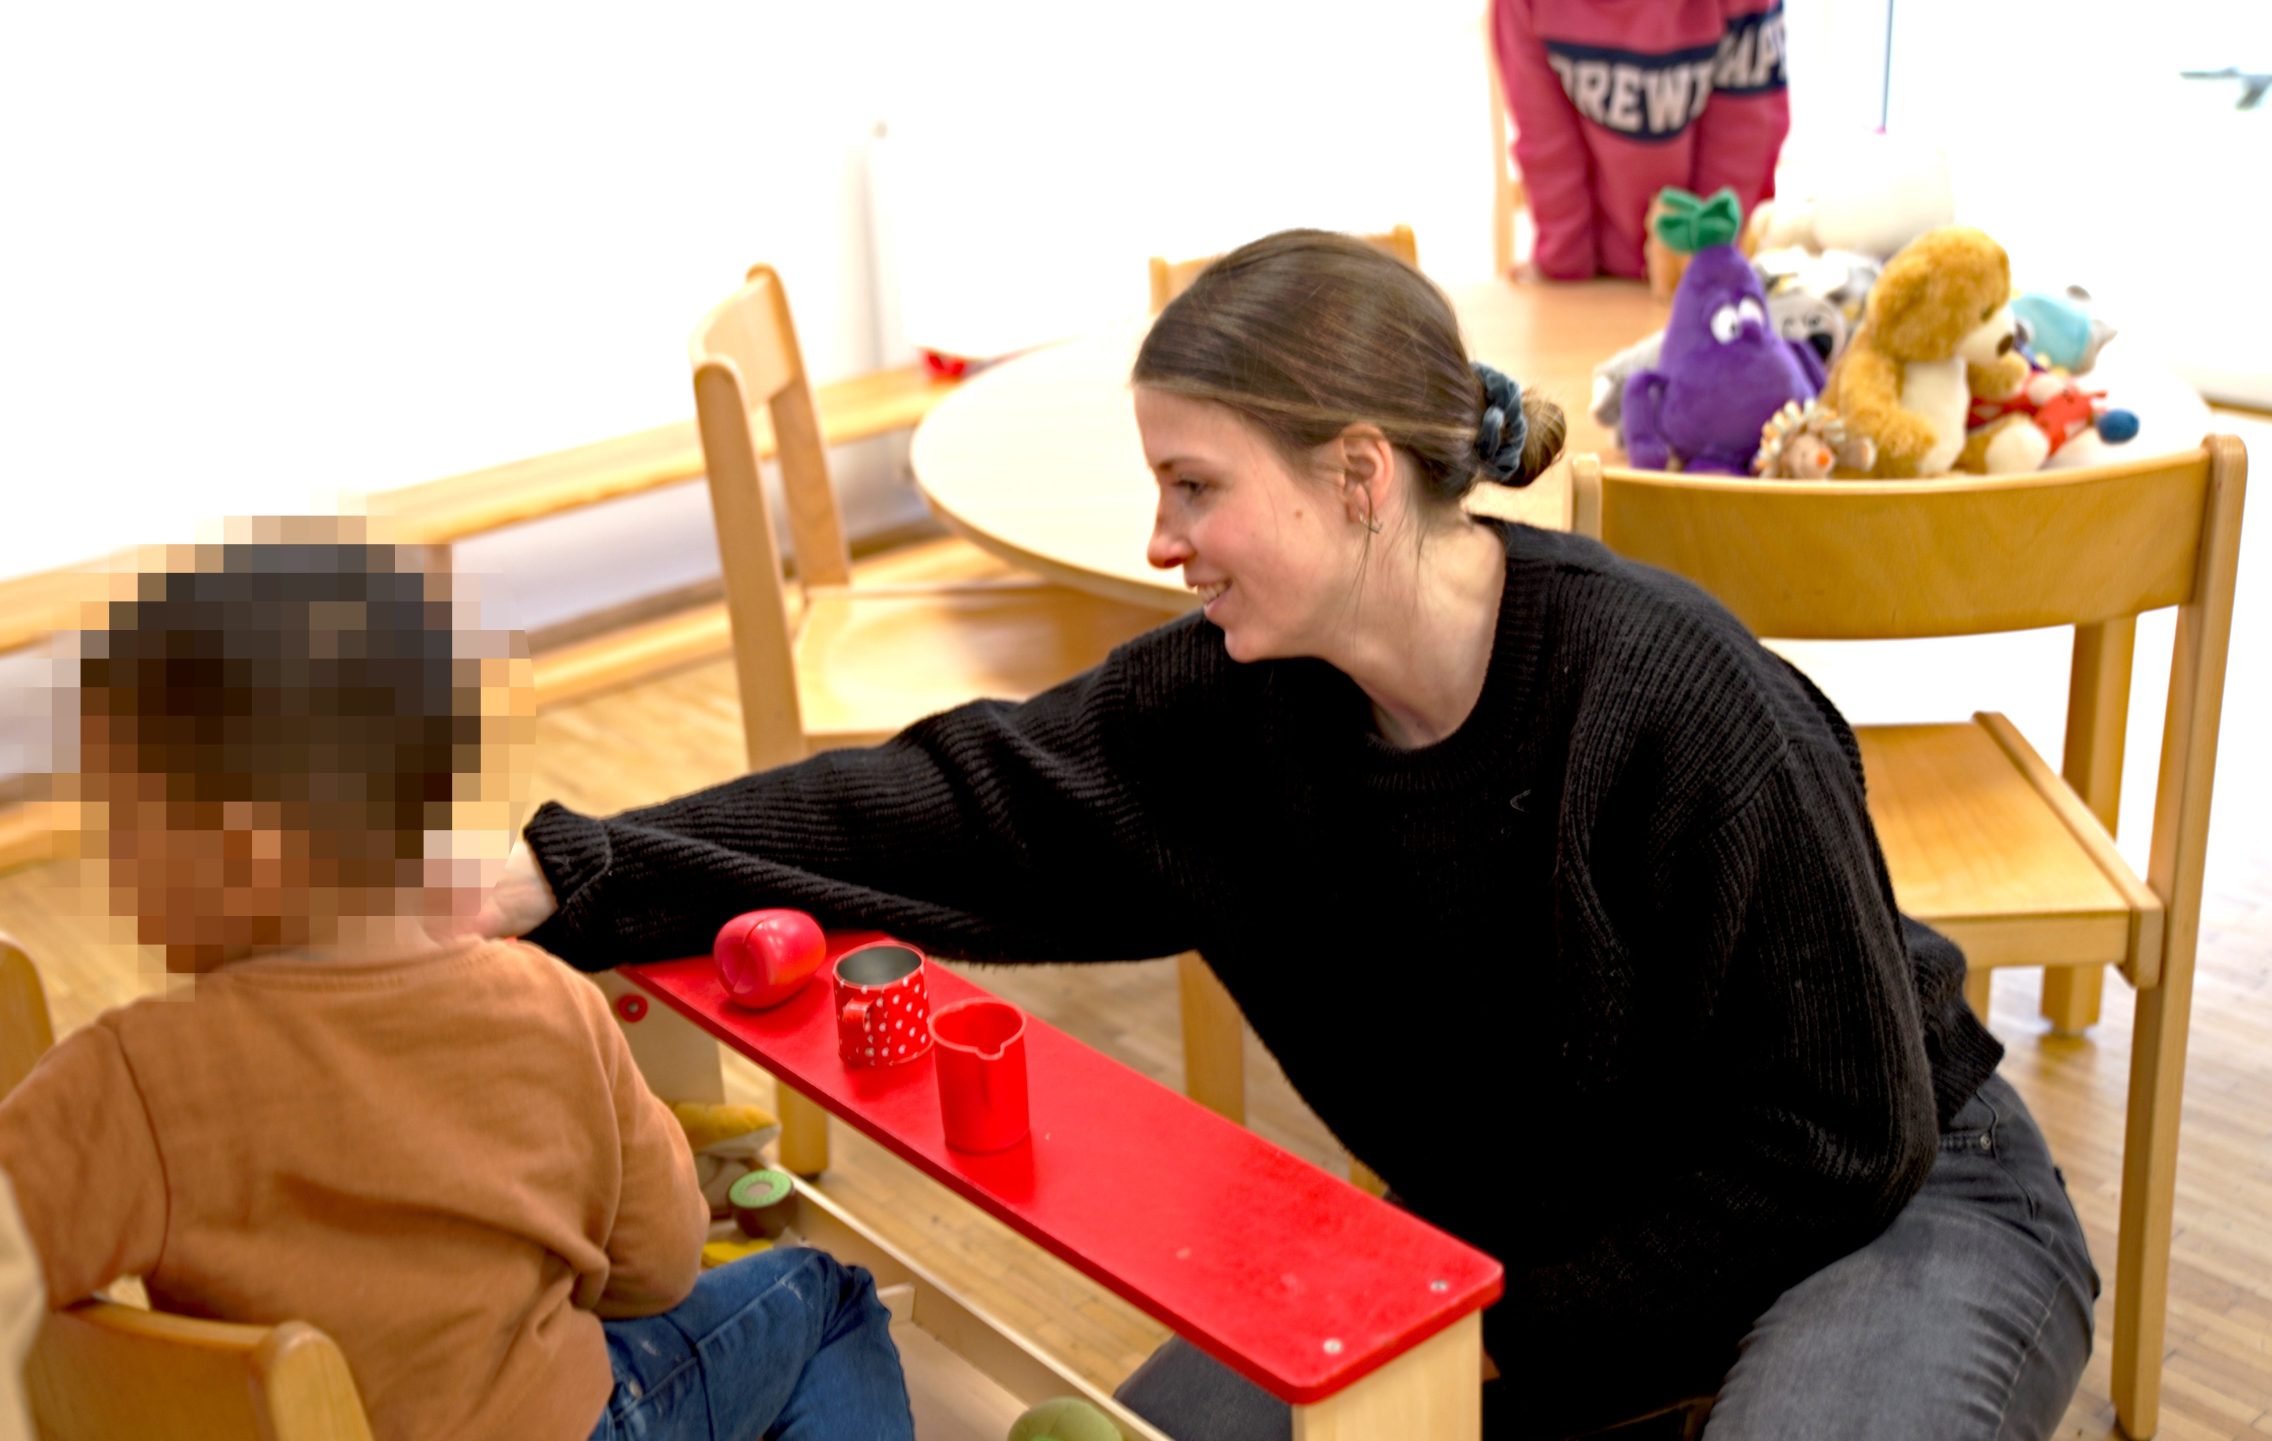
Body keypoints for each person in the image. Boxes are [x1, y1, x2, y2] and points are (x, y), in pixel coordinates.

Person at [483, 232, 2101, 1439]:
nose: (1161, 538)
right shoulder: (1231, 712)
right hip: (1523, 1252)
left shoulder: (1674, 700)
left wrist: (1500, 1340)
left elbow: (1839, 1138)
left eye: (1196, 488)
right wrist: (574, 870)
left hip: (1901, 1200)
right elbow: (950, 804)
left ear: (1359, 476)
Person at [0, 523, 914, 1441]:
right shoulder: (549, 1009)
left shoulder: (130, 1081)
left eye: (123, 829)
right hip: (581, 1422)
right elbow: (660, 1268)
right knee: (824, 1295)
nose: (111, 872)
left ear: (244, 848)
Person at [1493, 0, 1789, 282]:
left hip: (1717, 272)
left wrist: (1705, 269)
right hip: (1598, 274)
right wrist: (1564, 267)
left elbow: (1742, 145)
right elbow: (1548, 148)